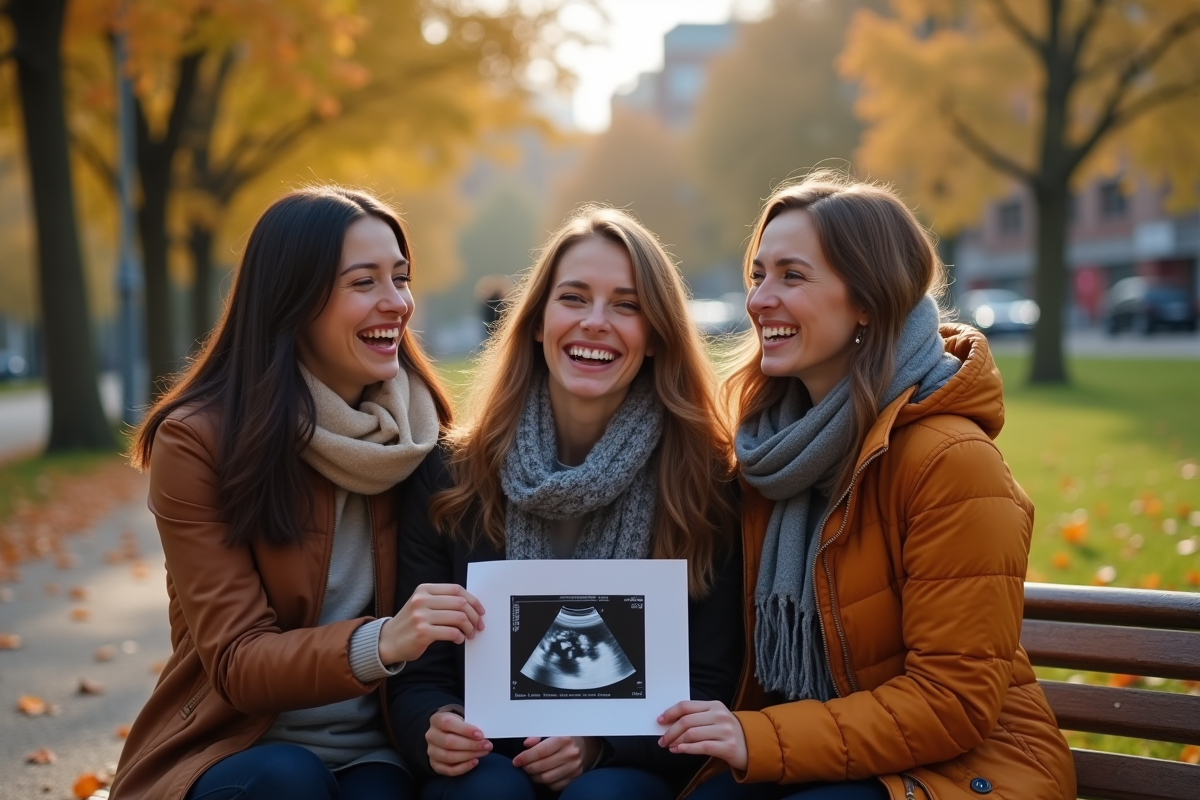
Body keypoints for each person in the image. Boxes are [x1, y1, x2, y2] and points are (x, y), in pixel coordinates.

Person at [658, 172, 1076, 800]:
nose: (758, 300)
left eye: (792, 277)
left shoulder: (951, 462)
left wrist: (760, 738)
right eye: (758, 275)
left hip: (972, 769)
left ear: (868, 303)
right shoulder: (764, 454)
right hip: (834, 751)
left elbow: (953, 702)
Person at [111, 187, 486, 800]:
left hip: (378, 753)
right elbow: (237, 662)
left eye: (401, 278)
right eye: (364, 283)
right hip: (233, 751)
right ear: (293, 299)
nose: (397, 303)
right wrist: (383, 639)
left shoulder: (424, 440)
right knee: (292, 780)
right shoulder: (200, 442)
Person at [388, 207, 744, 800]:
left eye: (626, 306)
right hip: (487, 757)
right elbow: (420, 673)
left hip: (635, 762)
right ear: (536, 322)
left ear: (656, 336)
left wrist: (597, 744)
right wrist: (434, 726)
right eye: (574, 298)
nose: (596, 322)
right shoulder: (453, 471)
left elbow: (710, 680)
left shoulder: (704, 480)